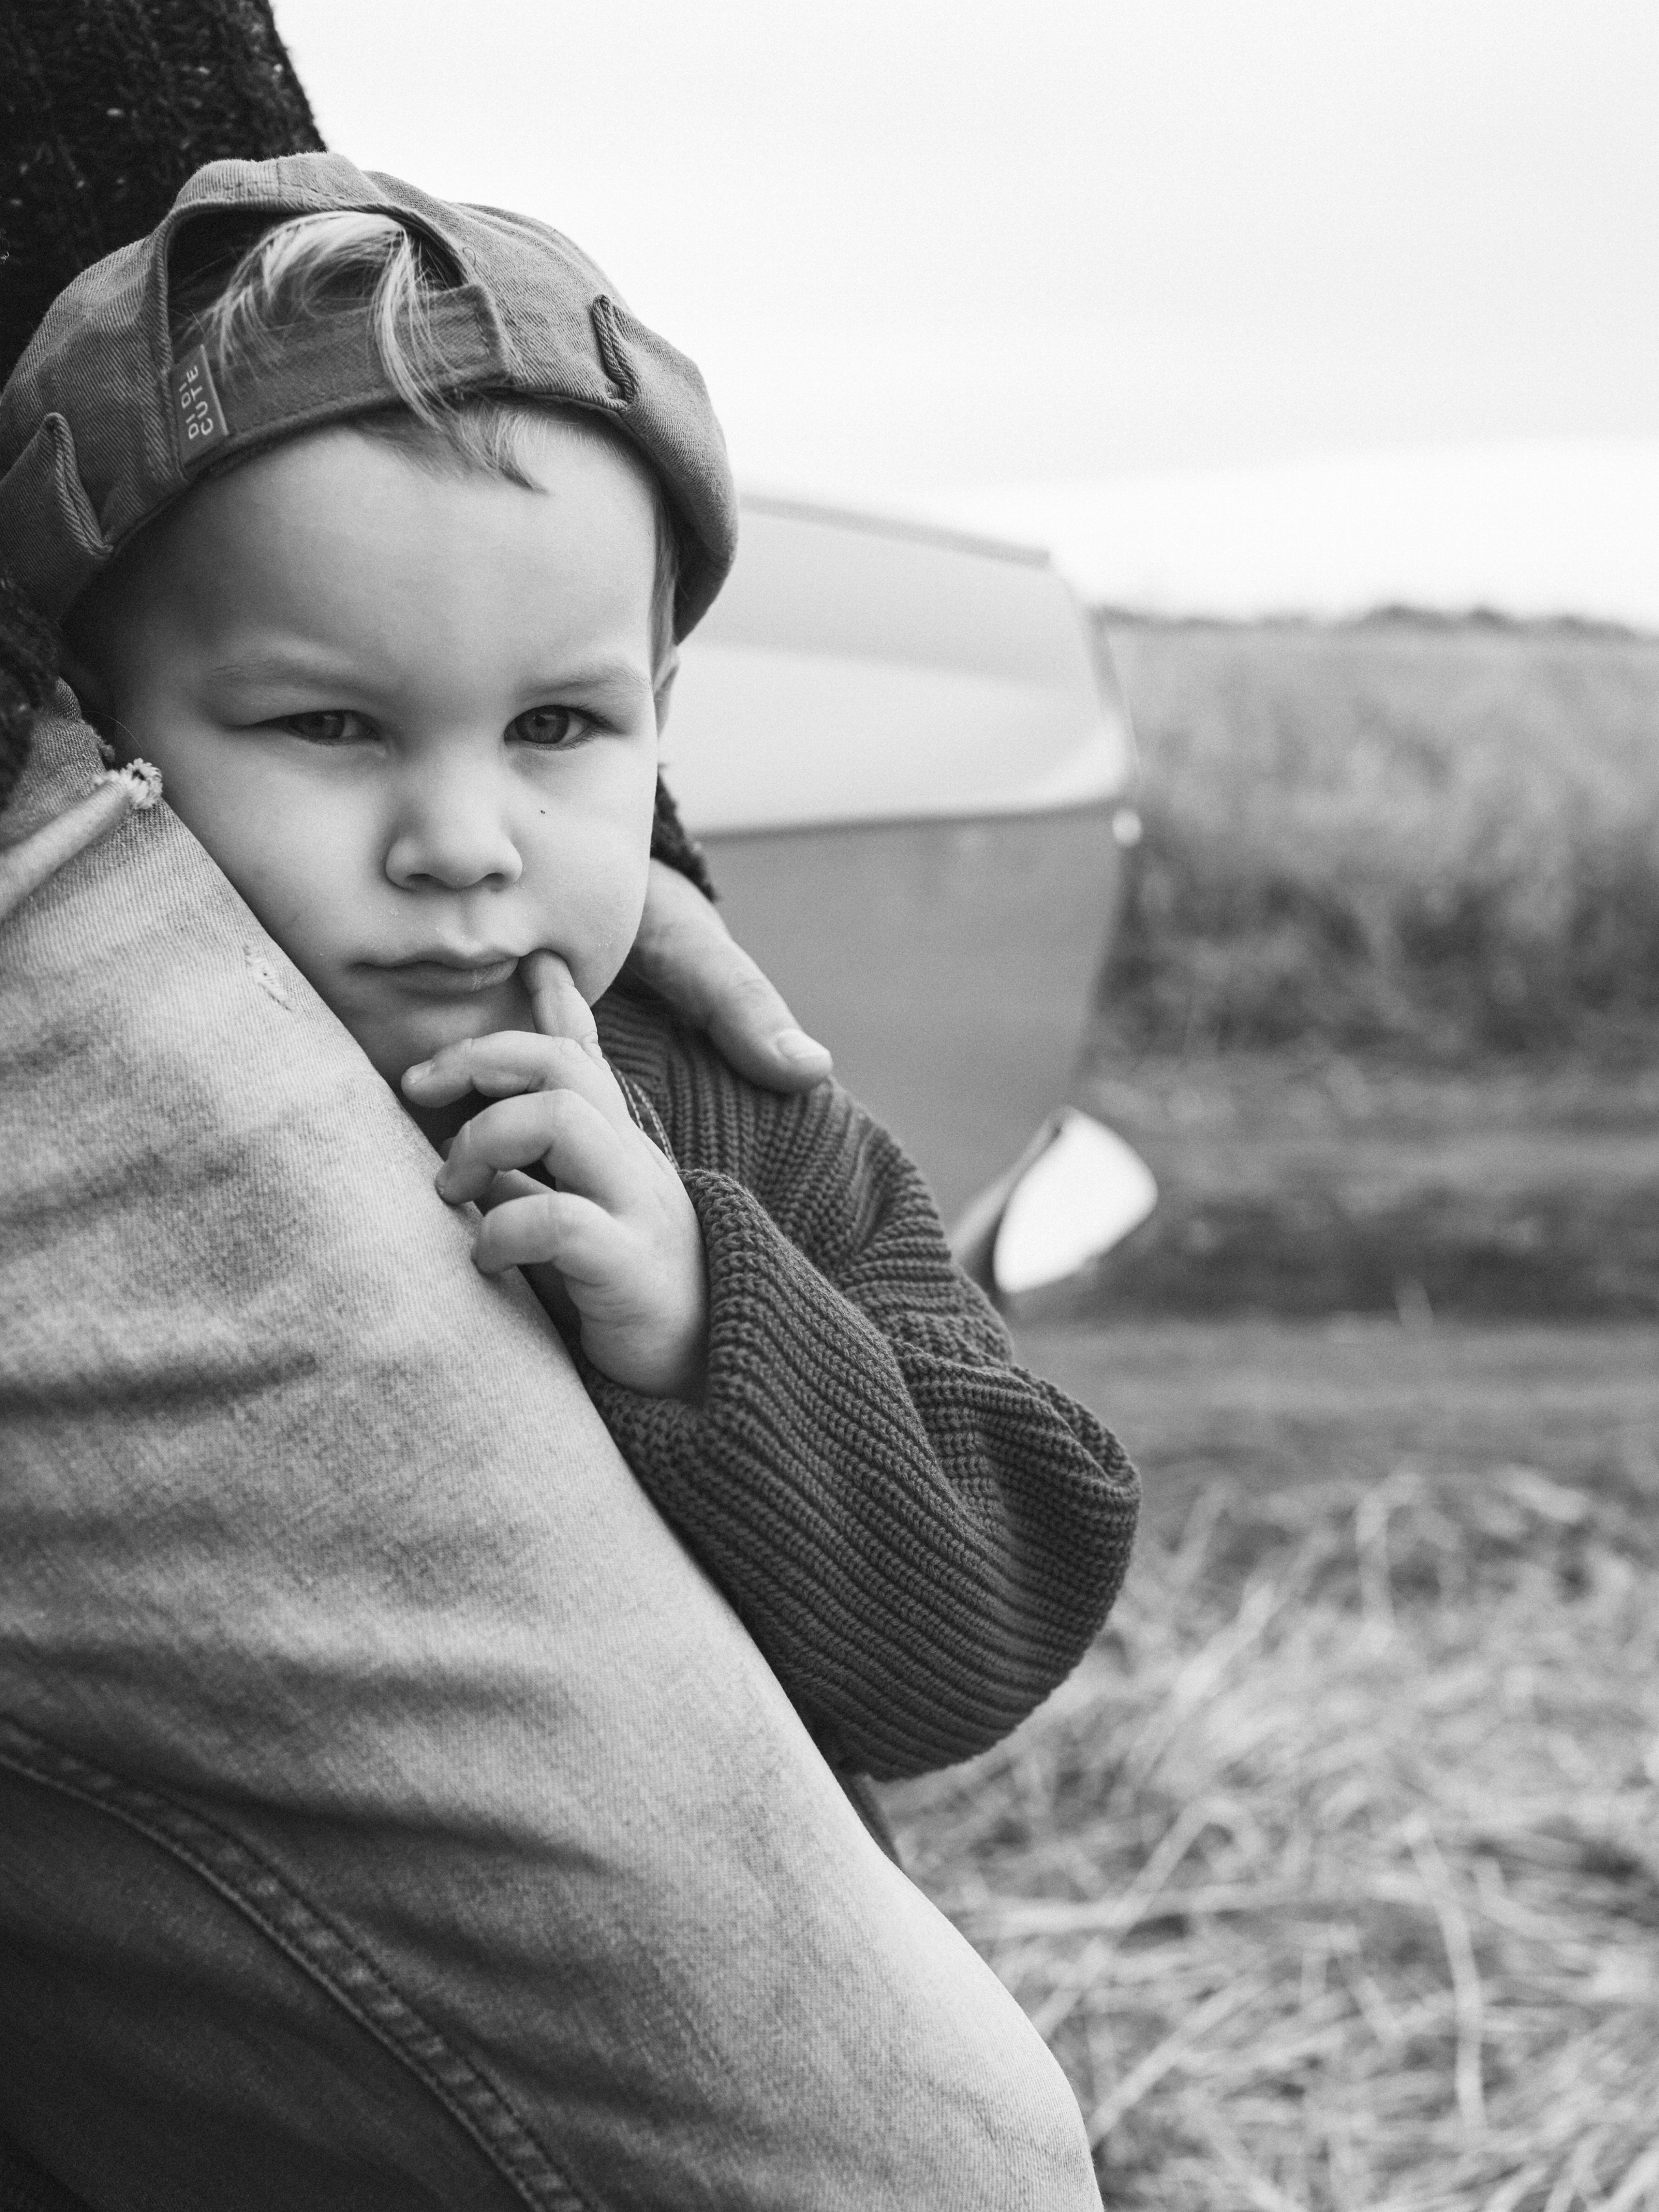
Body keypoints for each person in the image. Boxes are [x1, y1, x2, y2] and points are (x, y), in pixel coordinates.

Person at [0, 154, 1133, 2207]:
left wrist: (711, 1321)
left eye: (555, 726)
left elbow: (994, 1614)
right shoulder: (84, 1134)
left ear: (662, 730)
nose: (463, 841)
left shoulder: (730, 1127)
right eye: (330, 723)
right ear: (94, 738)